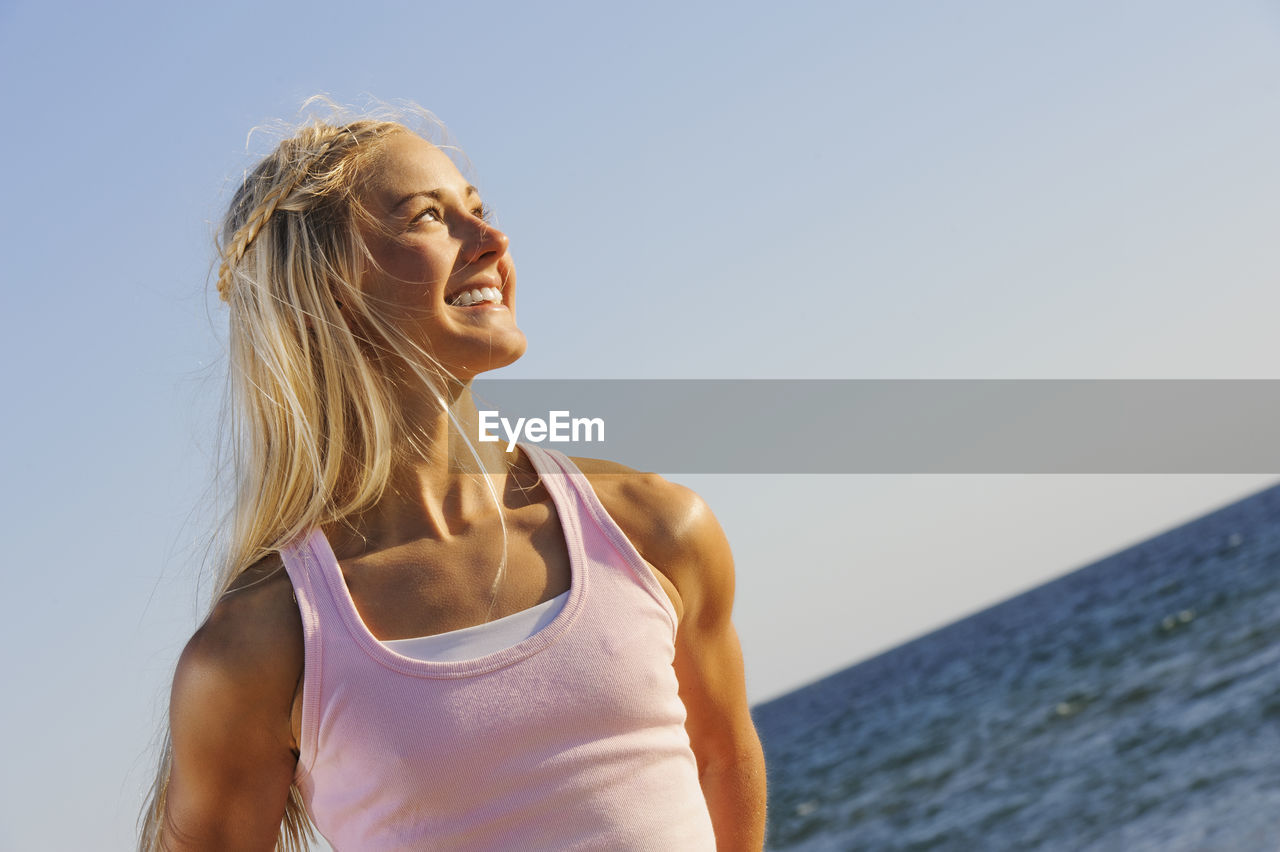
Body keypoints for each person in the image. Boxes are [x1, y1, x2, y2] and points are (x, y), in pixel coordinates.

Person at [140, 104, 767, 851]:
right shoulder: (262, 648)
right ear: (331, 290)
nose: (492, 241)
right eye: (430, 218)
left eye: (478, 209)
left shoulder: (656, 530)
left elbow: (722, 762)